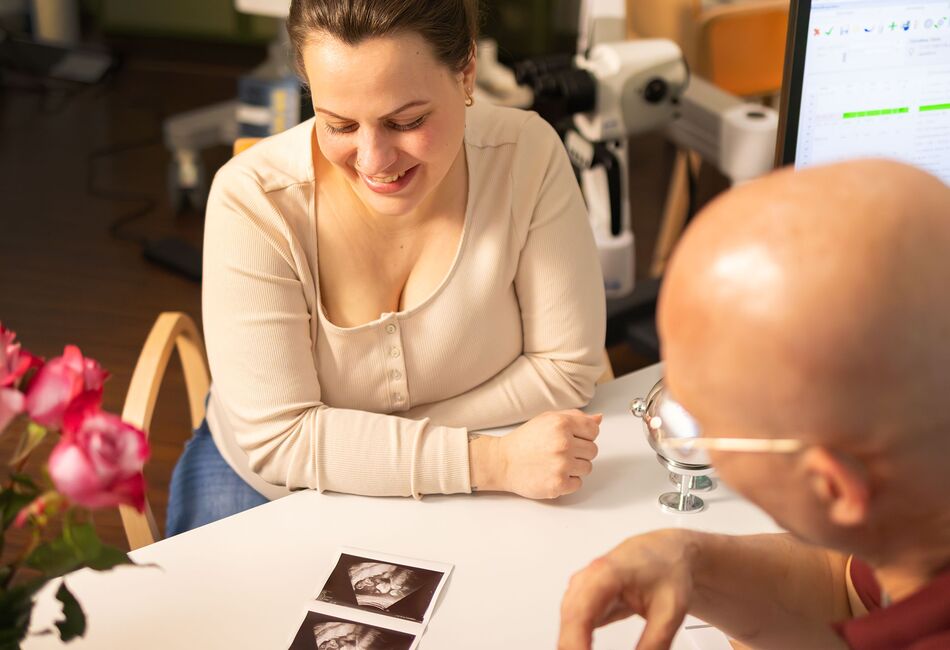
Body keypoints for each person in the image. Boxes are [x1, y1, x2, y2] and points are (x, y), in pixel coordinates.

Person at [166, 0, 607, 535]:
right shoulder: (253, 201)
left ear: (466, 71)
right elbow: (280, 442)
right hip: (270, 485)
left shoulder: (526, 155)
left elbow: (566, 367)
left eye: (406, 121)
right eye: (339, 124)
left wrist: (345, 443)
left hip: (491, 475)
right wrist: (493, 461)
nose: (374, 161)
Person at [558, 160, 950, 649]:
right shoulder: (919, 522)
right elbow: (847, 590)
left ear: (832, 486)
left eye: (702, 419)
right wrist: (690, 561)